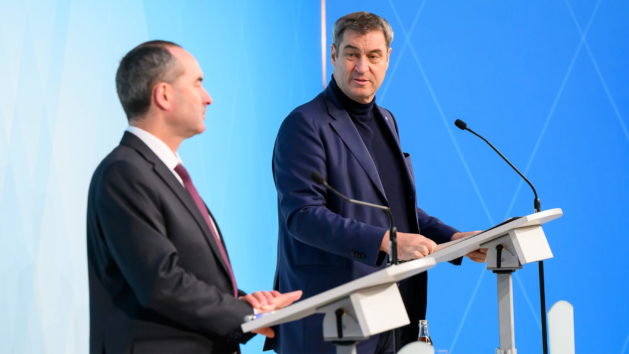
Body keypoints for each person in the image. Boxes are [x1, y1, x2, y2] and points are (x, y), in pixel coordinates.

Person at [267, 12, 486, 353]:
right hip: (330, 319)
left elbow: (396, 209)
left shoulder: (386, 120)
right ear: (334, 55)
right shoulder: (304, 125)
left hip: (390, 313)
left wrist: (453, 238)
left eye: (373, 56)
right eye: (352, 54)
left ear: (387, 59)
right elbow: (303, 216)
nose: (362, 67)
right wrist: (386, 241)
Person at [87, 40, 301, 354]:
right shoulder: (124, 173)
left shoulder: (161, 171)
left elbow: (189, 275)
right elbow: (161, 283)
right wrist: (249, 315)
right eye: (198, 83)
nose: (208, 98)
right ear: (163, 95)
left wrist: (243, 302)